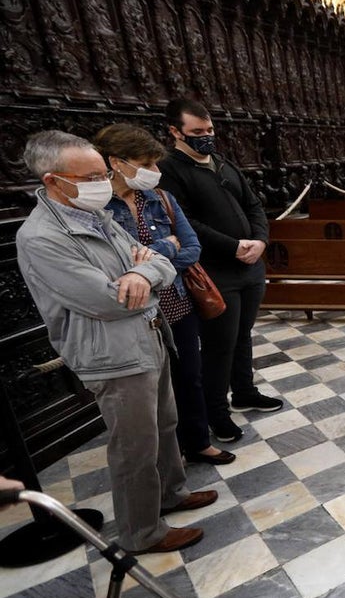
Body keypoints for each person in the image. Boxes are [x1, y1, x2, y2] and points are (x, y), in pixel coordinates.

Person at [16, 131, 218, 553]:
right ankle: (142, 532)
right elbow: (108, 300)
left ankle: (172, 493)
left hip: (148, 335)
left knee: (165, 425)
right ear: (54, 181)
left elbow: (161, 262)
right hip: (112, 354)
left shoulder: (97, 217)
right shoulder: (42, 237)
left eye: (103, 174)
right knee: (134, 447)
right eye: (90, 177)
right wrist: (141, 274)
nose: (102, 183)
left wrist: (141, 272)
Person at [93, 123, 235, 466]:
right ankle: (167, 457)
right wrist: (165, 249)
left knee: (190, 377)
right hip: (137, 311)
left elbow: (191, 249)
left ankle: (198, 442)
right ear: (117, 162)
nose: (155, 170)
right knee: (153, 388)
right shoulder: (98, 208)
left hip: (177, 302)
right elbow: (113, 266)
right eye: (146, 164)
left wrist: (147, 266)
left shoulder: (160, 199)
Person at [158, 99, 282, 443]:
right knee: (219, 345)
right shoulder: (169, 170)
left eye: (210, 129)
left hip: (250, 266)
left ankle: (244, 391)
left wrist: (260, 240)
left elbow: (253, 205)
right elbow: (185, 222)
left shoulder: (223, 163)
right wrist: (232, 246)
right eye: (197, 131)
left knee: (243, 334)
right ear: (175, 131)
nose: (206, 136)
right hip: (215, 271)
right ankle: (217, 412)